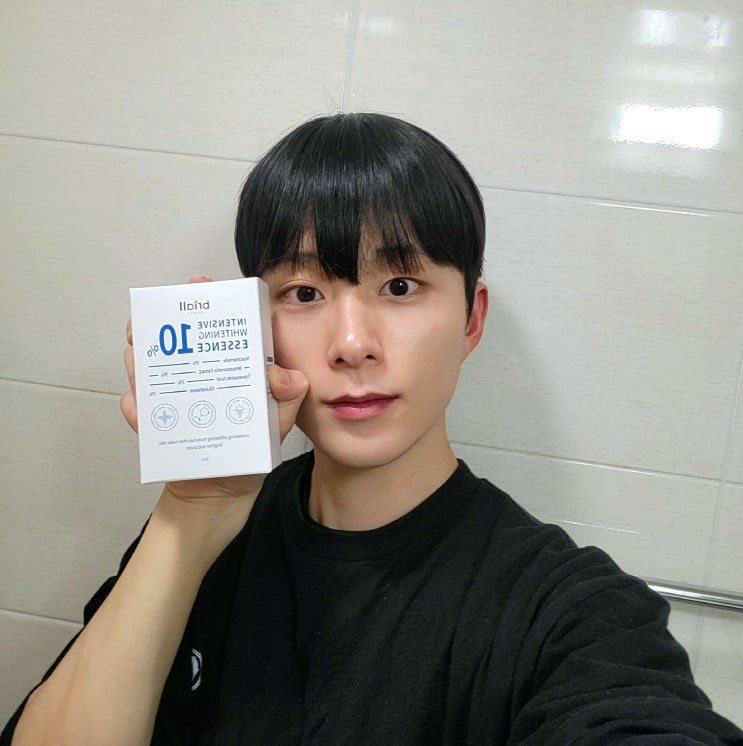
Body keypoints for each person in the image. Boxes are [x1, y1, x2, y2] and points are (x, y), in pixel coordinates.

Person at [3, 113, 742, 745]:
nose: (352, 344)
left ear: (471, 319)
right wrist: (189, 512)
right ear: (252, 325)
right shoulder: (204, 535)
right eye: (303, 292)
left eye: (399, 286)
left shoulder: (567, 613)